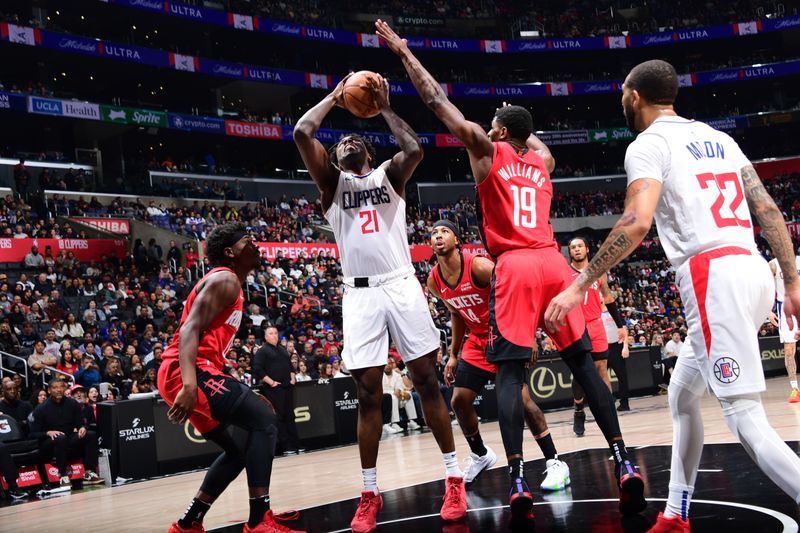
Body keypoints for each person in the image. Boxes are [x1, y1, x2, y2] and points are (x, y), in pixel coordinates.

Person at [376, 19, 645, 522]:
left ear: (499, 132)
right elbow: (534, 141)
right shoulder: (541, 161)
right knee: (585, 369)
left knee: (509, 374)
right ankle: (623, 461)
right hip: (553, 261)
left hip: (516, 266)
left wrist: (405, 53)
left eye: (495, 121)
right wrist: (516, 123)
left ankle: (518, 476)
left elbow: (437, 102)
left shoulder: (486, 149)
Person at [544, 59, 800, 532]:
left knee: (745, 419)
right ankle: (676, 512)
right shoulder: (719, 137)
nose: (621, 100)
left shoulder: (648, 144)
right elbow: (765, 207)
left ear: (634, 95)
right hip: (752, 267)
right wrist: (790, 280)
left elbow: (636, 222)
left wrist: (580, 283)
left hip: (712, 276)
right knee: (682, 394)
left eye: (622, 93)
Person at [294, 70, 466, 532]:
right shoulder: (331, 185)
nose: (347, 141)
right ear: (335, 158)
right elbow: (301, 132)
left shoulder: (390, 174)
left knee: (427, 380)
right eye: (341, 141)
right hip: (360, 293)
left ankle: (453, 478)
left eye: (356, 137)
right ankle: (369, 493)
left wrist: (385, 106)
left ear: (367, 152)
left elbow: (415, 149)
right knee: (368, 393)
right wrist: (335, 96)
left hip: (401, 283)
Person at [158, 223, 303, 533]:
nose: (256, 245)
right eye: (248, 242)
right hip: (185, 372)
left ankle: (188, 523)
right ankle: (259, 520)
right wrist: (188, 384)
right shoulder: (226, 279)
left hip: (195, 370)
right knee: (264, 418)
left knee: (238, 451)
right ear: (229, 252)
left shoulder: (229, 282)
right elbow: (188, 330)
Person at [427, 220, 570, 490]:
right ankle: (481, 454)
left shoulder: (479, 266)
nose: (438, 236)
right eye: (433, 233)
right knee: (459, 400)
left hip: (506, 333)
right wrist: (454, 354)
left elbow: (517, 290)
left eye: (444, 231)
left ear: (457, 241)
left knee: (524, 402)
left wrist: (528, 335)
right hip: (477, 340)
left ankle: (555, 461)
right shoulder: (434, 280)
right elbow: (457, 312)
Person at [567, 237, 627, 436]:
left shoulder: (598, 271)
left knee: (602, 368)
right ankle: (578, 409)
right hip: (576, 325)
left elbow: (608, 299)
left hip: (595, 324)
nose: (576, 250)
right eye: (573, 247)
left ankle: (608, 411)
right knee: (580, 373)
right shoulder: (565, 273)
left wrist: (621, 325)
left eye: (579, 246)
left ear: (586, 249)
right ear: (570, 252)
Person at [29, 379, 103, 489]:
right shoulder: (41, 408)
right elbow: (33, 434)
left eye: (61, 387)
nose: (58, 390)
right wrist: (48, 432)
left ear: (64, 388)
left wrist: (82, 428)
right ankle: (63, 475)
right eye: (55, 388)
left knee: (91, 434)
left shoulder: (72, 403)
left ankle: (89, 472)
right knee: (60, 438)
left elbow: (80, 423)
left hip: (68, 437)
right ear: (49, 390)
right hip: (48, 442)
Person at [253, 326, 300, 456]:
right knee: (280, 417)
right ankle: (286, 447)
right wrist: (272, 382)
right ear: (266, 337)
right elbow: (257, 369)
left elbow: (290, 365)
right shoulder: (262, 351)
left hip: (288, 386)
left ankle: (296, 444)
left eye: (275, 333)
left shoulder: (282, 349)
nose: (274, 335)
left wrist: (292, 377)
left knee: (290, 416)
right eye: (271, 333)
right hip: (274, 389)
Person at [768, 251, 800, 402]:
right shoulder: (773, 265)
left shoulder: (798, 260)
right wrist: (768, 310)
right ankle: (795, 389)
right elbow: (764, 288)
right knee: (789, 350)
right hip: (786, 308)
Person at [381, 357, 420, 434]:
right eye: (386, 364)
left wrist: (402, 393)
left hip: (396, 397)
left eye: (390, 364)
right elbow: (383, 390)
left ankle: (411, 421)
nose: (388, 366)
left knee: (409, 395)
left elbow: (399, 388)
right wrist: (397, 392)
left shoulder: (397, 375)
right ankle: (394, 423)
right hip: (385, 399)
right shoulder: (380, 375)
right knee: (393, 397)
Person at [603, 307, 631, 411]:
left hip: (616, 346)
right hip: (602, 347)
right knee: (600, 378)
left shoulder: (615, 312)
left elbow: (624, 329)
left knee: (622, 376)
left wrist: (625, 346)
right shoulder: (595, 312)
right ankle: (608, 400)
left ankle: (624, 403)